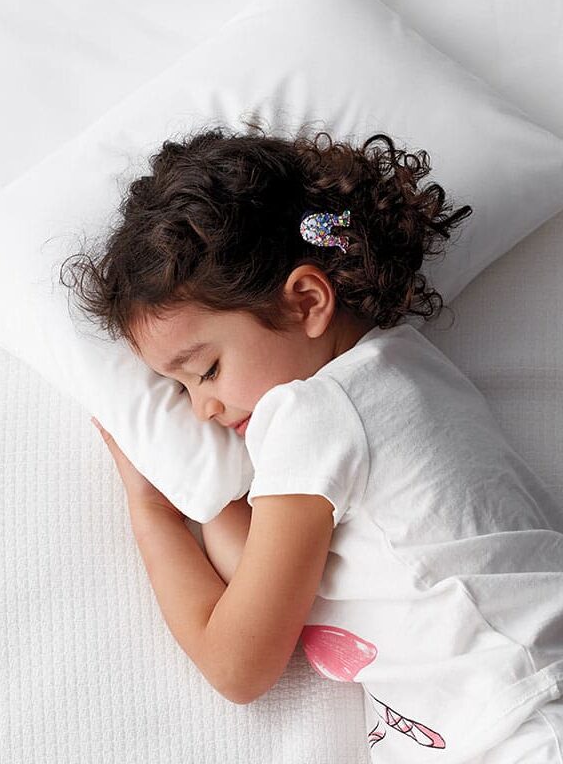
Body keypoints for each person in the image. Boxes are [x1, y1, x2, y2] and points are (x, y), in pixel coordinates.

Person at [62, 122, 563, 763]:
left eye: (207, 370)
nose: (203, 410)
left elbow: (237, 663)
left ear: (306, 300)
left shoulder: (317, 411)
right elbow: (268, 579)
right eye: (179, 389)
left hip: (523, 726)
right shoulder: (406, 367)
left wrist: (153, 510)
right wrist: (210, 501)